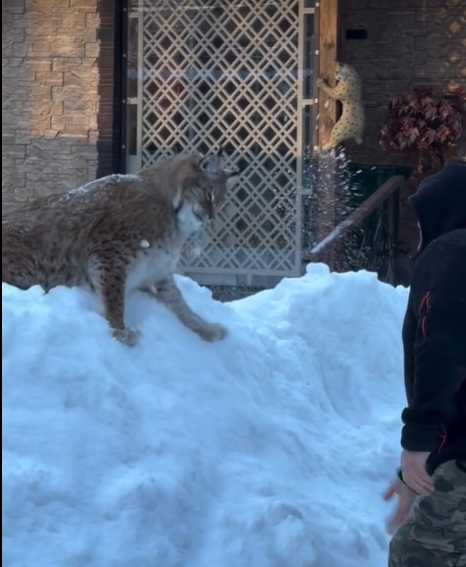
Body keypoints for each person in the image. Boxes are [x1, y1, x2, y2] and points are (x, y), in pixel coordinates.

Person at [384, 156, 466, 567]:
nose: (419, 234)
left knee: (416, 556)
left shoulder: (452, 252)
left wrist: (419, 443)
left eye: (421, 221)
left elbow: (442, 348)